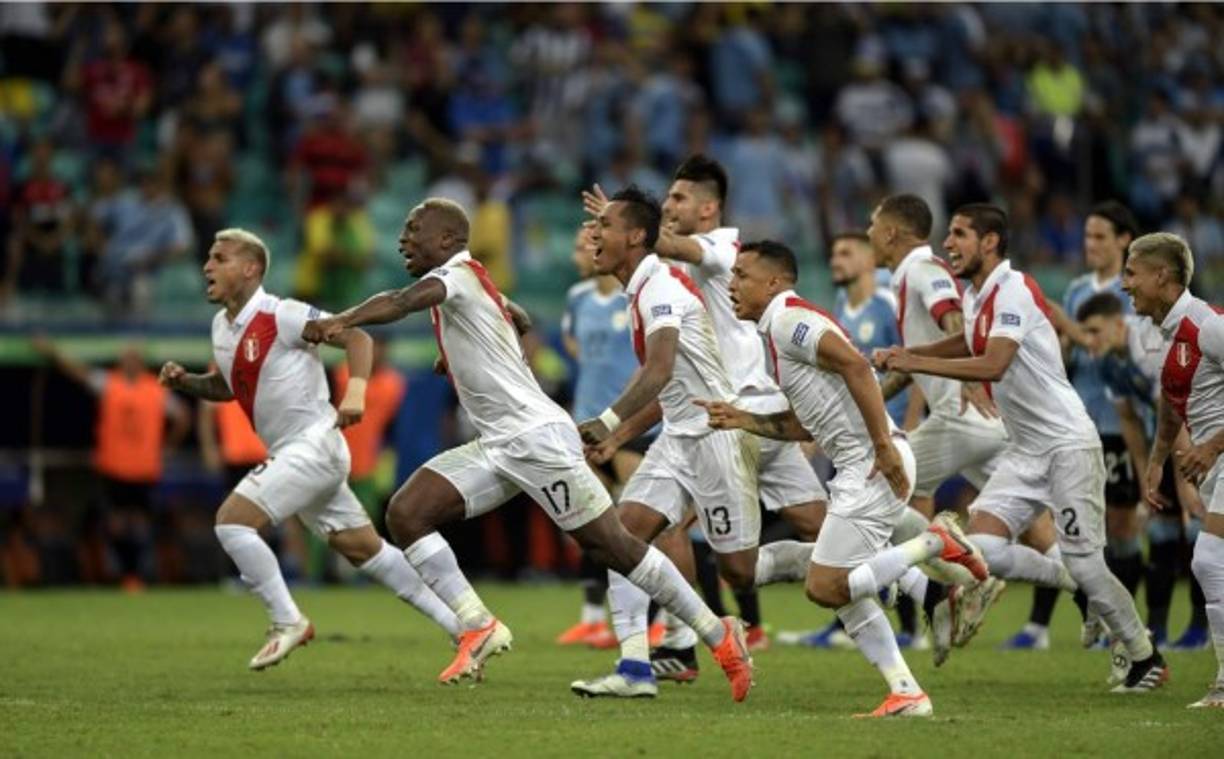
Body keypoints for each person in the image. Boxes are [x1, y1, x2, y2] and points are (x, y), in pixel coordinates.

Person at [304, 198, 753, 700]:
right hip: (497, 444)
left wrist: (339, 320)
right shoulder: (472, 283)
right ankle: (477, 624)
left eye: (413, 230)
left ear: (448, 241)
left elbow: (402, 299)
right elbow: (514, 314)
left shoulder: (455, 275)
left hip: (537, 440)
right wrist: (470, 350)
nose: (403, 239)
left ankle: (717, 633)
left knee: (616, 546)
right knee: (407, 512)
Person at [877, 203, 1168, 693]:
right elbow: (965, 343)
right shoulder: (976, 295)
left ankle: (1144, 656)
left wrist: (912, 361)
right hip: (1026, 450)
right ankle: (1082, 589)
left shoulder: (1013, 288)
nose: (949, 244)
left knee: (1087, 562)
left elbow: (992, 363)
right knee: (982, 550)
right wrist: (911, 357)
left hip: (1067, 445)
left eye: (960, 234)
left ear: (990, 242)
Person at [699, 239, 990, 718]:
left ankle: (935, 544)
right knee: (844, 590)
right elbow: (806, 422)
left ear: (773, 282)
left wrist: (880, 445)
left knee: (824, 586)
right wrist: (742, 418)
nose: (732, 286)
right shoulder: (775, 333)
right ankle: (905, 691)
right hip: (864, 462)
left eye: (742, 276)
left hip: (872, 463)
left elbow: (856, 365)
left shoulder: (792, 320)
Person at [159, 228, 462, 670]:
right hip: (299, 450)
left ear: (250, 269)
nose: (207, 266)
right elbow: (229, 387)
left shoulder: (282, 314)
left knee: (232, 524)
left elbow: (358, 338)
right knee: (364, 549)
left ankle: (287, 621)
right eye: (209, 258)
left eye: (219, 258)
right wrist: (187, 382)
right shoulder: (221, 329)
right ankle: (464, 625)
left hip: (312, 444)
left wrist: (355, 392)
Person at [581, 156, 827, 676]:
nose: (671, 207)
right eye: (665, 199)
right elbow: (670, 380)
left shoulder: (718, 249)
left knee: (740, 565)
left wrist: (626, 222)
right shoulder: (662, 281)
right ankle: (656, 655)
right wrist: (622, 431)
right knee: (629, 532)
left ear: (710, 208)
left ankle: (890, 567)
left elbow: (665, 252)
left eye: (678, 199)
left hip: (741, 414)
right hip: (700, 420)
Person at [1004, 200, 1143, 650]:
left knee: (1118, 530)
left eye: (1101, 236)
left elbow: (1123, 352)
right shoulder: (1079, 289)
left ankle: (1126, 623)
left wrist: (1075, 329)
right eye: (1087, 236)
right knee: (1061, 526)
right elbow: (1063, 354)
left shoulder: (1134, 292)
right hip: (1070, 421)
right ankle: (1039, 626)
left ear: (1124, 241)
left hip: (1118, 423)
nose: (1091, 245)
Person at [1124, 232, 1224, 709]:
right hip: (1214, 461)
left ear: (1162, 276)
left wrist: (1209, 445)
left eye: (1132, 272)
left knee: (1207, 561)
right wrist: (1158, 459)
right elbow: (1171, 400)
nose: (1126, 284)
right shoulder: (1161, 332)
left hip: (1221, 455)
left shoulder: (1207, 324)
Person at [1076, 291, 1209, 649]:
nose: (1088, 341)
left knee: (1200, 533)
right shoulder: (1106, 362)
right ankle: (1157, 629)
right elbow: (1130, 422)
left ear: (1118, 324)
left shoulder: (1149, 346)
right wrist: (1144, 478)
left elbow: (1175, 412)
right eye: (1084, 333)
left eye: (1094, 331)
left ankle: (1200, 628)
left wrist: (1184, 483)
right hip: (1166, 446)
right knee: (1162, 536)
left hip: (1200, 439)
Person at [868, 194, 1008, 521]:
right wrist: (873, 398)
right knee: (1027, 524)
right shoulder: (908, 276)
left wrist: (968, 376)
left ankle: (935, 565)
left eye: (872, 225)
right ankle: (1069, 570)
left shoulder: (922, 269)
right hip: (982, 424)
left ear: (889, 233)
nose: (868, 234)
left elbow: (954, 321)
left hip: (961, 418)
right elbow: (912, 366)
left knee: (880, 487)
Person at [555, 224, 653, 648]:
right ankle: (593, 618)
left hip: (629, 426)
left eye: (584, 246)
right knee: (590, 525)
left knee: (639, 526)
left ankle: (655, 618)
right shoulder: (577, 300)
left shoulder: (633, 295)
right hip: (585, 425)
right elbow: (573, 345)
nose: (578, 254)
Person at [31, 337, 190, 591]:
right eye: (125, 358)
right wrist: (53, 352)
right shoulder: (109, 383)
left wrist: (166, 448)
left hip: (144, 469)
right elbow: (78, 373)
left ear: (141, 363)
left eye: (133, 358)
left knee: (138, 523)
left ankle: (136, 574)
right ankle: (126, 574)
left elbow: (182, 416)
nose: (129, 362)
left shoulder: (155, 390)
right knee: (116, 523)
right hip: (114, 466)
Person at [831, 231, 914, 429]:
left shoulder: (888, 303)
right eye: (833, 255)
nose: (835, 262)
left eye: (845, 254)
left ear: (869, 260)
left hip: (897, 423)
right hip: (859, 426)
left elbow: (916, 363)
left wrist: (912, 424)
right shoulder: (841, 305)